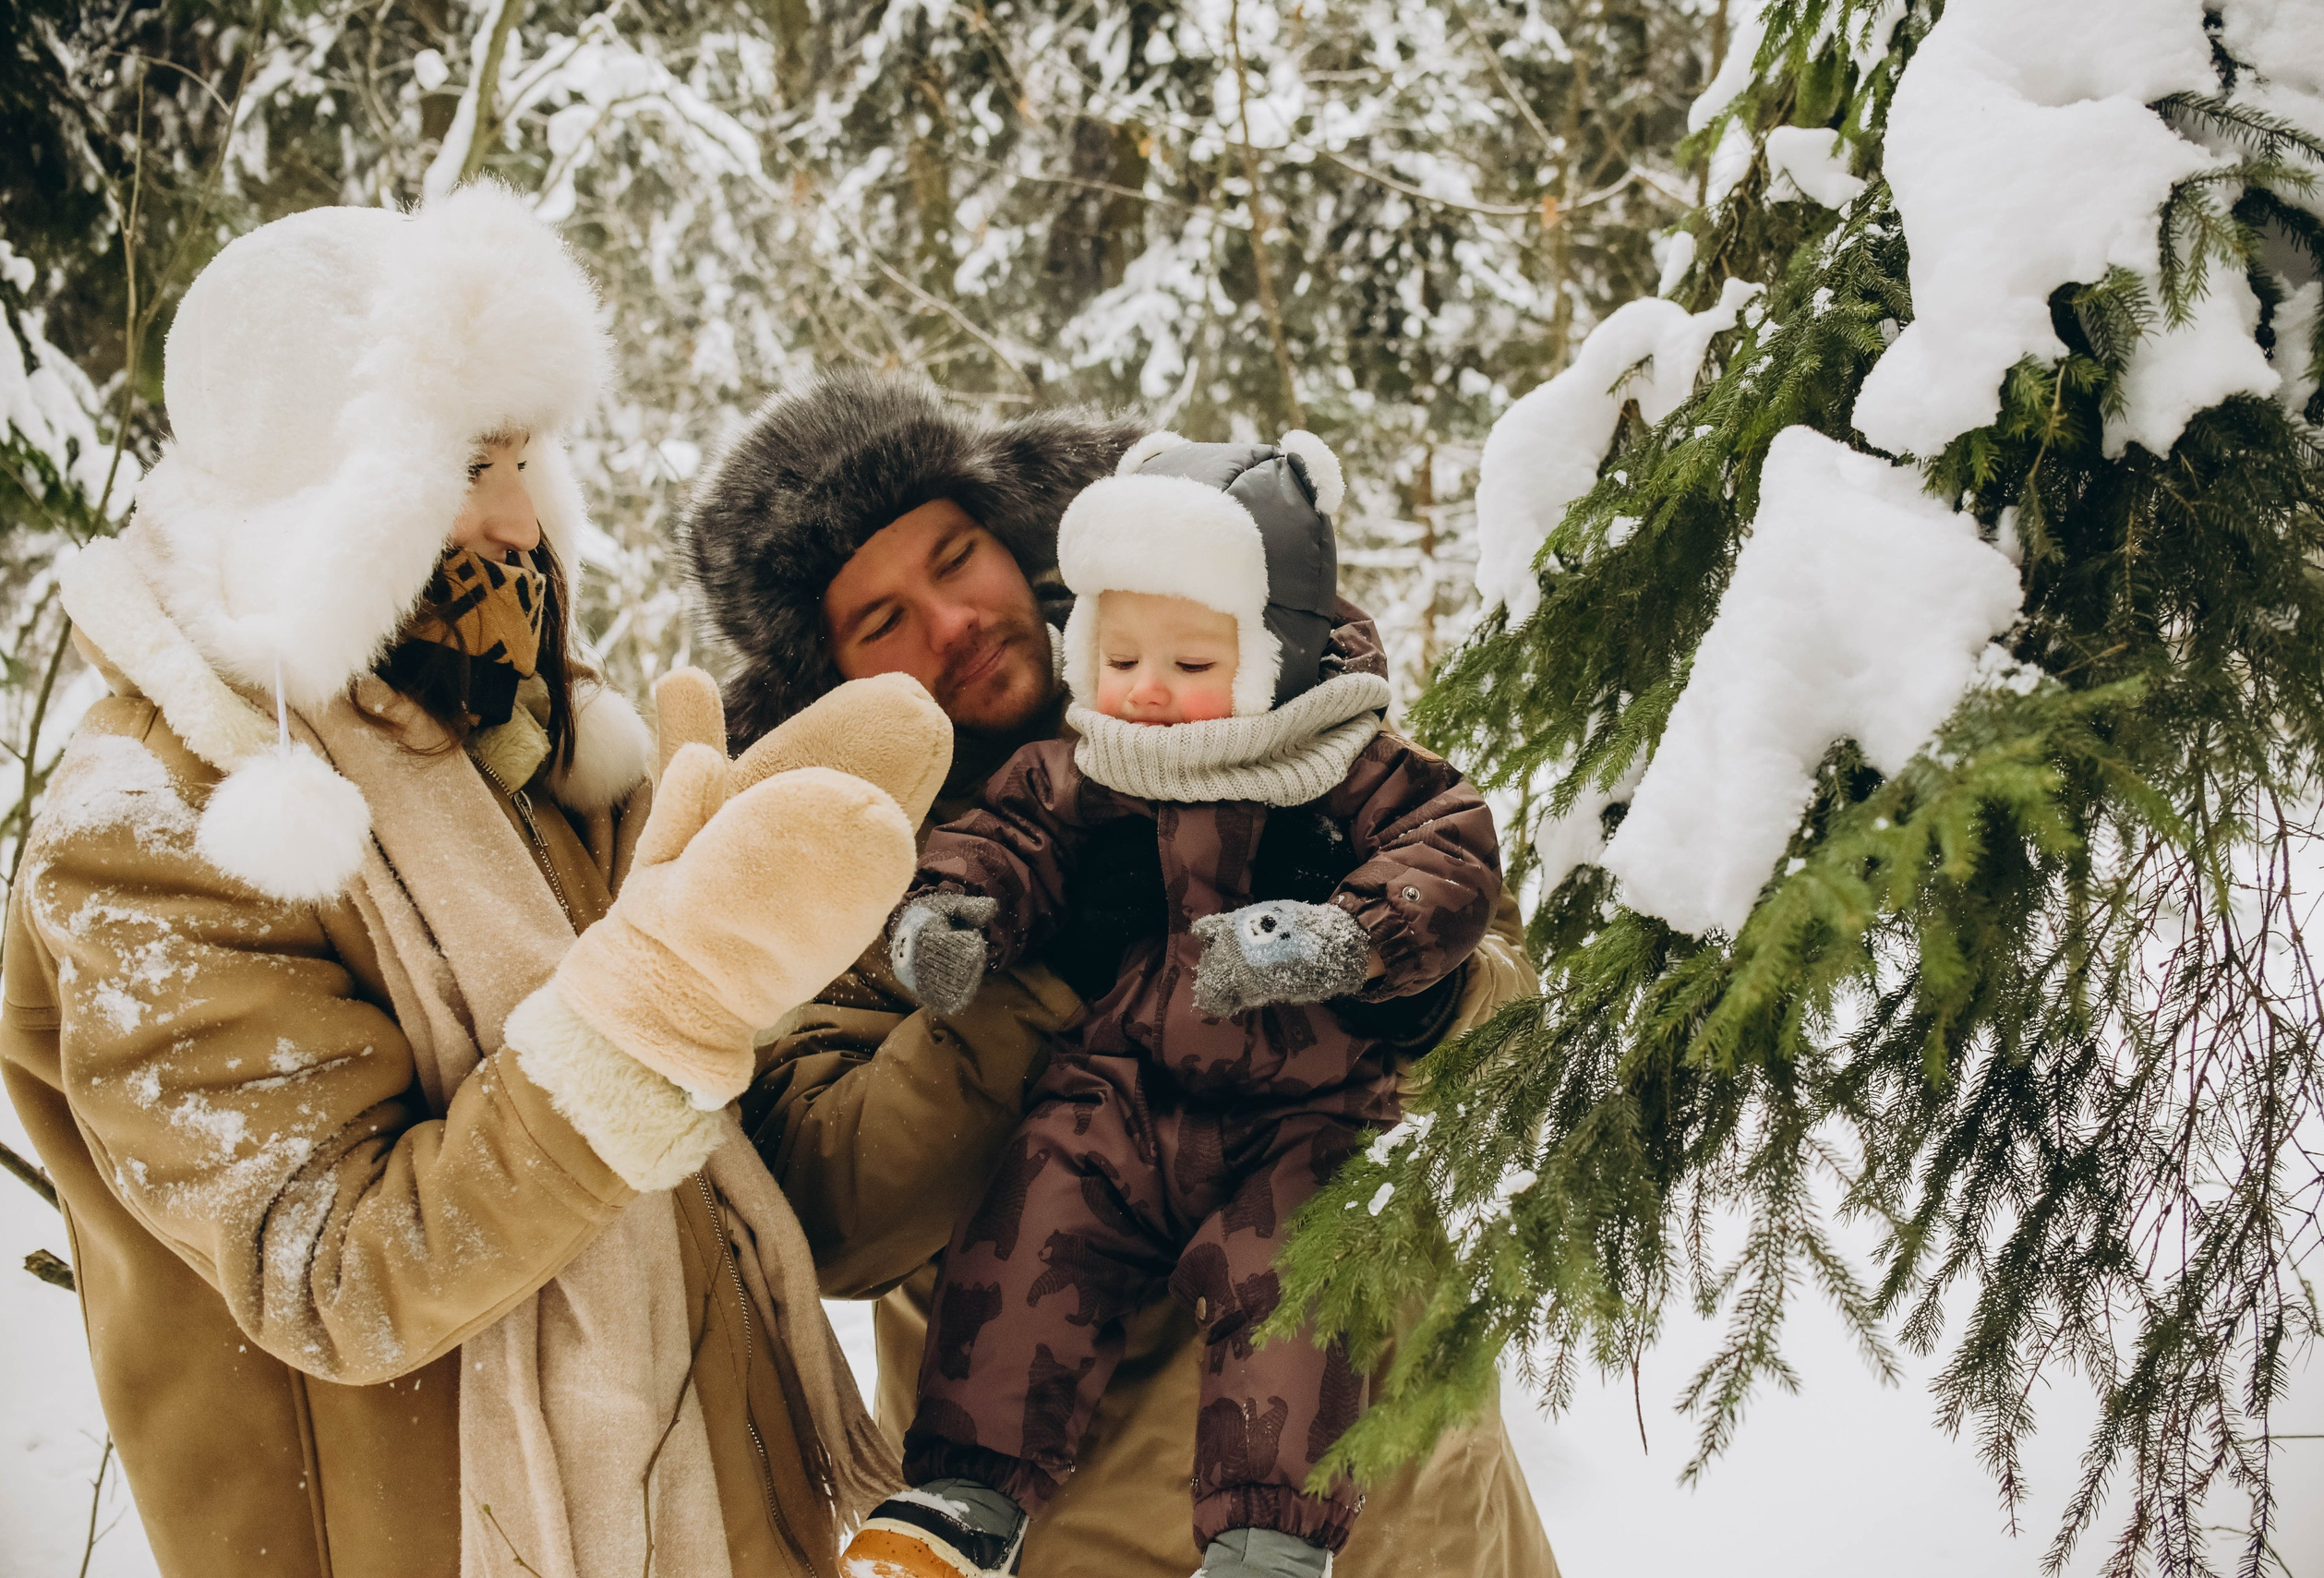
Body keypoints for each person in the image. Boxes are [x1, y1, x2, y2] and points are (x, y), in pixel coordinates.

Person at [0, 188, 949, 1578]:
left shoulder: (512, 725)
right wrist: (660, 998)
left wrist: (860, 942)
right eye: (464, 464)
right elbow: (335, 1274)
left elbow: (710, 1152)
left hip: (713, 1512)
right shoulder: (163, 822)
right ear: (327, 486)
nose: (520, 517)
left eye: (524, 458)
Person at [683, 371, 1561, 1578]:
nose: (951, 622)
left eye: (955, 558)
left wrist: (1387, 976)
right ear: (828, 675)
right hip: (1093, 1532)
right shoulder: (828, 857)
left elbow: (1508, 1003)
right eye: (881, 619)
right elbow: (831, 1209)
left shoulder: (1264, 697)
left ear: (1015, 540)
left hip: (1431, 1515)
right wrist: (1038, 981)